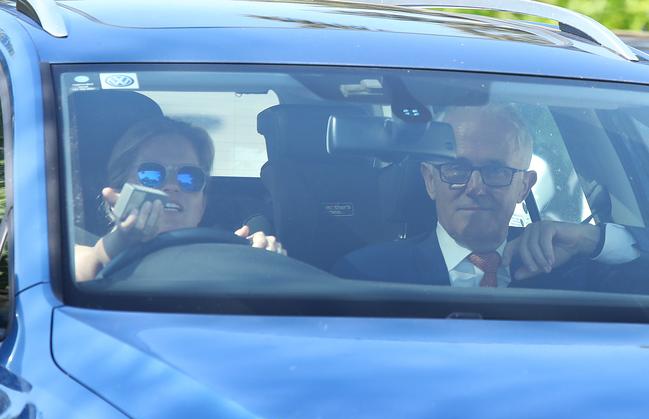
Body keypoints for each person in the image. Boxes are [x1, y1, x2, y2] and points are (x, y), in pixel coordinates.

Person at [334, 104, 649, 291]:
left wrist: (592, 239)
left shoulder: (568, 267)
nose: (475, 187)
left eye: (496, 172)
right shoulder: (368, 276)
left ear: (524, 187)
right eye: (457, 169)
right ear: (430, 180)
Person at [75, 116, 283, 281]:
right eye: (151, 175)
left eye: (189, 177)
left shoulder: (233, 256)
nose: (172, 186)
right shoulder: (71, 248)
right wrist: (120, 242)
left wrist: (262, 261)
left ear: (202, 203)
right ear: (118, 192)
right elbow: (84, 269)